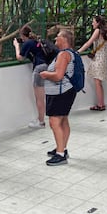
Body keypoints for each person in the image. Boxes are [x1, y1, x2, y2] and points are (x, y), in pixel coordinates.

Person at [40, 30, 77, 166]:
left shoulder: (64, 54)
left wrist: (45, 74)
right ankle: (62, 148)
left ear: (65, 39)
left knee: (54, 122)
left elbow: (58, 75)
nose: (56, 38)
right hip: (65, 91)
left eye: (59, 36)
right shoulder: (71, 53)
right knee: (63, 120)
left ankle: (60, 154)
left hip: (60, 92)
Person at [13, 25, 47, 129]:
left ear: (23, 35)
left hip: (38, 69)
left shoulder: (27, 43)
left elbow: (20, 58)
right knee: (41, 97)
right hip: (45, 66)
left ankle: (41, 122)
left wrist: (16, 46)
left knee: (39, 98)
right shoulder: (35, 42)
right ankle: (41, 119)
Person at [77, 15, 107, 111]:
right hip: (105, 59)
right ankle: (101, 103)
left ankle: (100, 105)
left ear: (98, 23)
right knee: (99, 83)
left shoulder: (97, 31)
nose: (92, 23)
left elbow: (88, 43)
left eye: (93, 21)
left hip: (98, 59)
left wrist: (78, 52)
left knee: (97, 83)